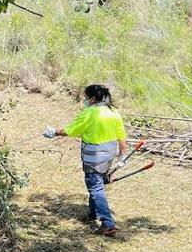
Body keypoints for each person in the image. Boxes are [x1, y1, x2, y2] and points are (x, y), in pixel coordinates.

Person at [44, 84, 129, 236]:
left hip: (93, 157)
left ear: (93, 98)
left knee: (96, 188)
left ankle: (108, 223)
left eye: (86, 97)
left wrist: (54, 132)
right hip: (109, 155)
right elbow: (121, 136)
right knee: (98, 184)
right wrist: (123, 155)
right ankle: (93, 213)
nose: (85, 100)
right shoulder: (113, 111)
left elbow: (71, 130)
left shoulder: (90, 113)